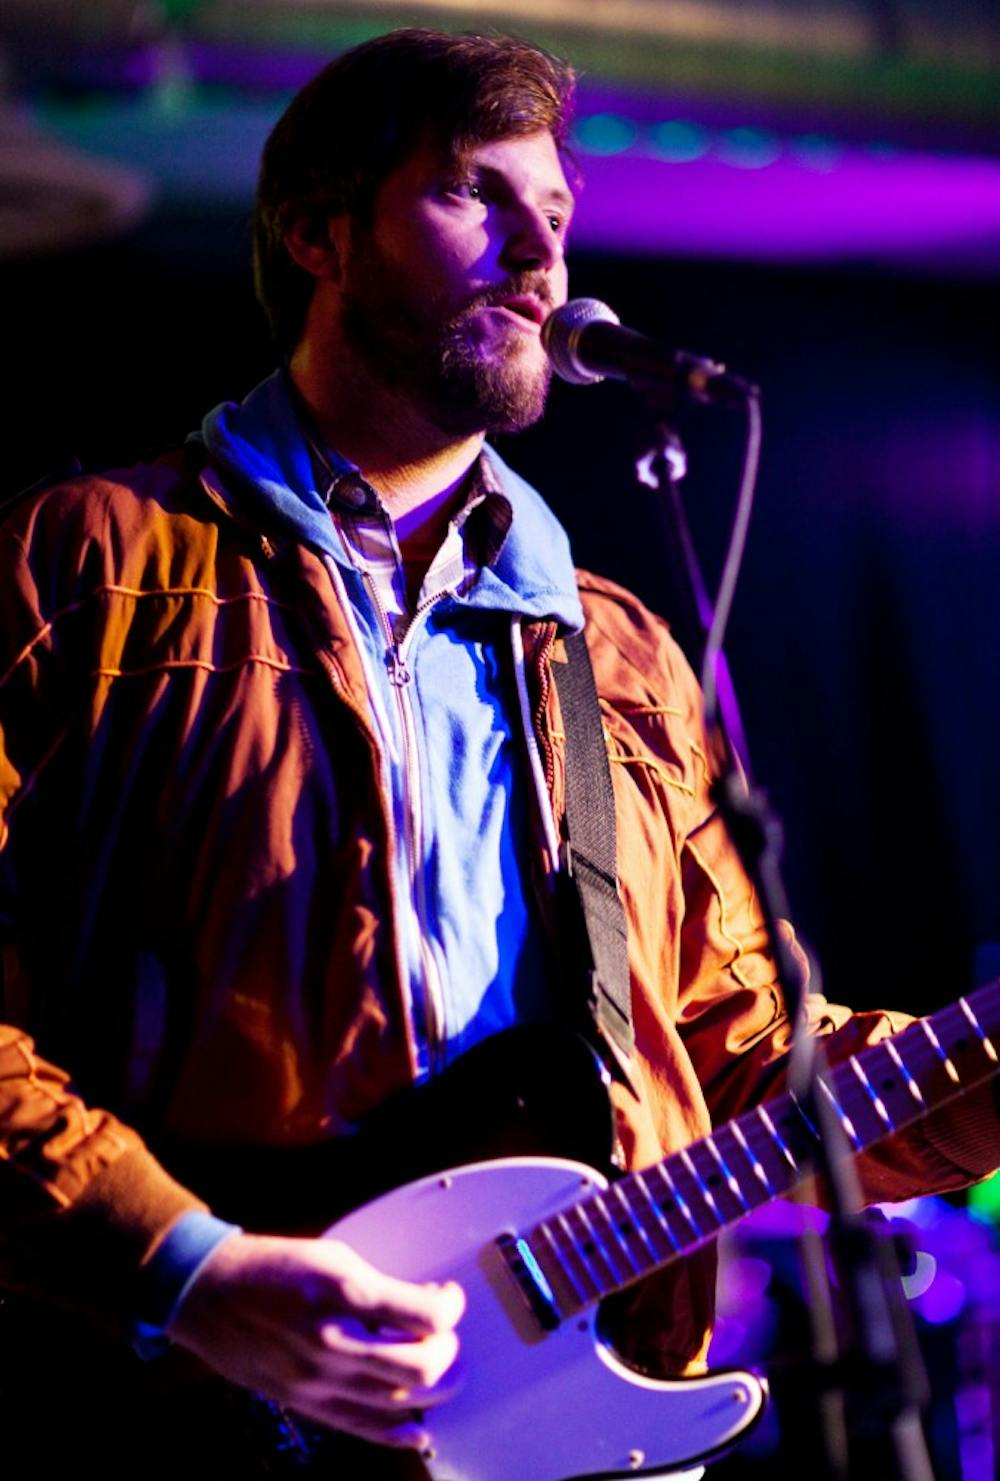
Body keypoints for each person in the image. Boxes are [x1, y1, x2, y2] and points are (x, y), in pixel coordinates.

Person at [1, 27, 997, 1477]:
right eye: (480, 193)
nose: (543, 251)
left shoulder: (619, 648)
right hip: (170, 1404)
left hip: (558, 1423)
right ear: (318, 232)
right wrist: (186, 1266)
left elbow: (726, 1046)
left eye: (560, 212)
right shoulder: (89, 566)